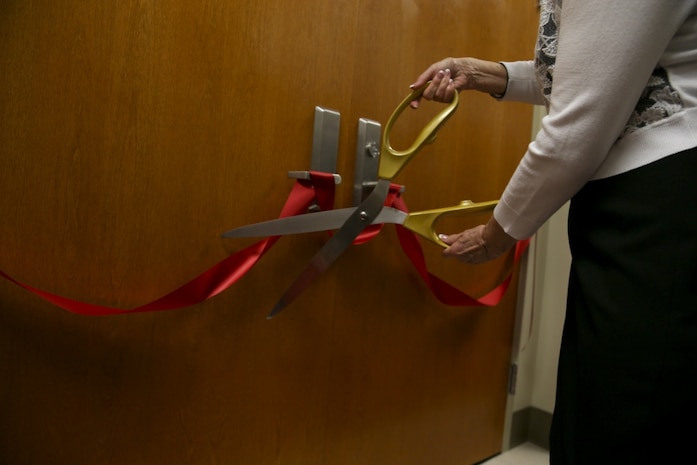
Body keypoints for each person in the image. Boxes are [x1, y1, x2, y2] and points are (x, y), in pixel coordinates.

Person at [409, 1, 697, 464]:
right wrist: (482, 74)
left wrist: (495, 235)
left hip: (662, 207)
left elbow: (574, 128)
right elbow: (595, 71)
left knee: (617, 419)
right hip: (650, 202)